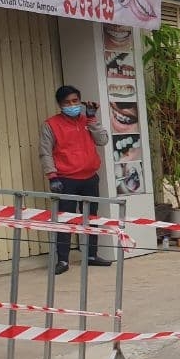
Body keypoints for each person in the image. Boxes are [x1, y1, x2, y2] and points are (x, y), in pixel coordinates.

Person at [39, 85, 111, 275]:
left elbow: (102, 140)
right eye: (67, 102)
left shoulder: (88, 120)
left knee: (91, 217)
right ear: (60, 104)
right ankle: (63, 260)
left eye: (75, 101)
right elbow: (45, 152)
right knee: (65, 220)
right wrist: (52, 176)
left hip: (90, 178)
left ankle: (91, 256)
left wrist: (92, 118)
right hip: (65, 180)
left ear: (80, 101)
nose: (72, 105)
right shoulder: (51, 124)